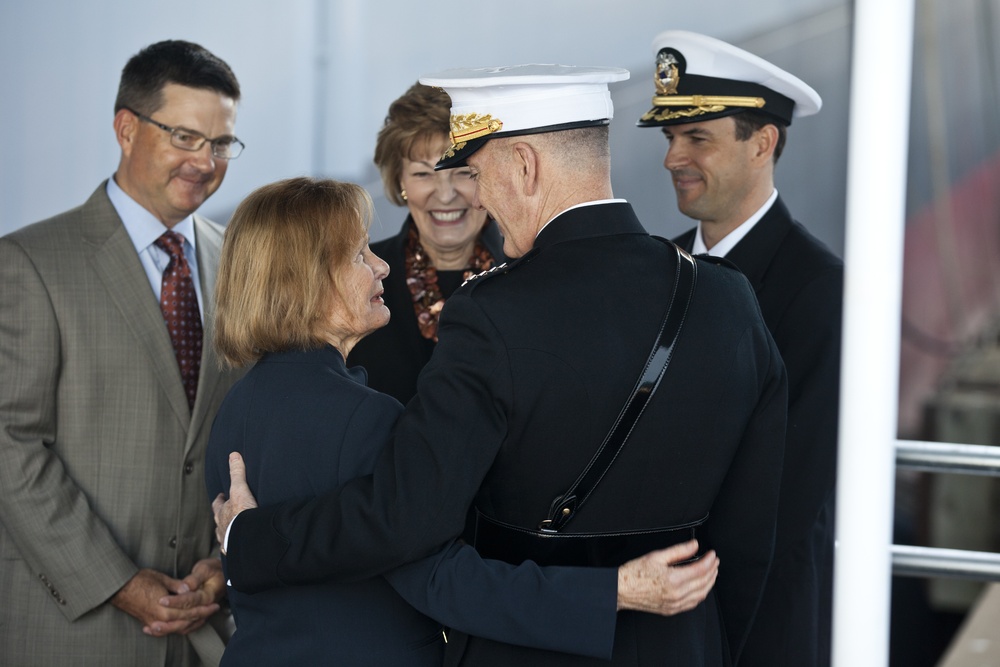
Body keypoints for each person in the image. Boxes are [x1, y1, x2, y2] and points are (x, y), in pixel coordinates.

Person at [215, 64, 788, 666]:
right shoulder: (730, 298)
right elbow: (752, 543)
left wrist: (252, 540)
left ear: (525, 165)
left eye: (478, 173)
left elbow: (405, 516)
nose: (477, 199)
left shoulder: (491, 313)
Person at [0, 40, 244, 666]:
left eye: (220, 144)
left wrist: (226, 560)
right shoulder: (29, 263)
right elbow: (10, 443)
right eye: (186, 137)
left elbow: (243, 428)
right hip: (74, 632)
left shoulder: (240, 263)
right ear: (126, 129)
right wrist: (118, 582)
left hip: (204, 629)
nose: (205, 161)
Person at [635, 30, 844, 666]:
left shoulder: (818, 289)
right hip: (646, 606)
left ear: (763, 142)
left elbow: (790, 490)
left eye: (697, 138)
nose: (673, 157)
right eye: (671, 138)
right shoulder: (655, 270)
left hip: (755, 624)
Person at [349, 82, 504, 403]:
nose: (445, 195)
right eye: (423, 174)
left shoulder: (528, 275)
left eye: (462, 172)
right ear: (400, 181)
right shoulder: (352, 284)